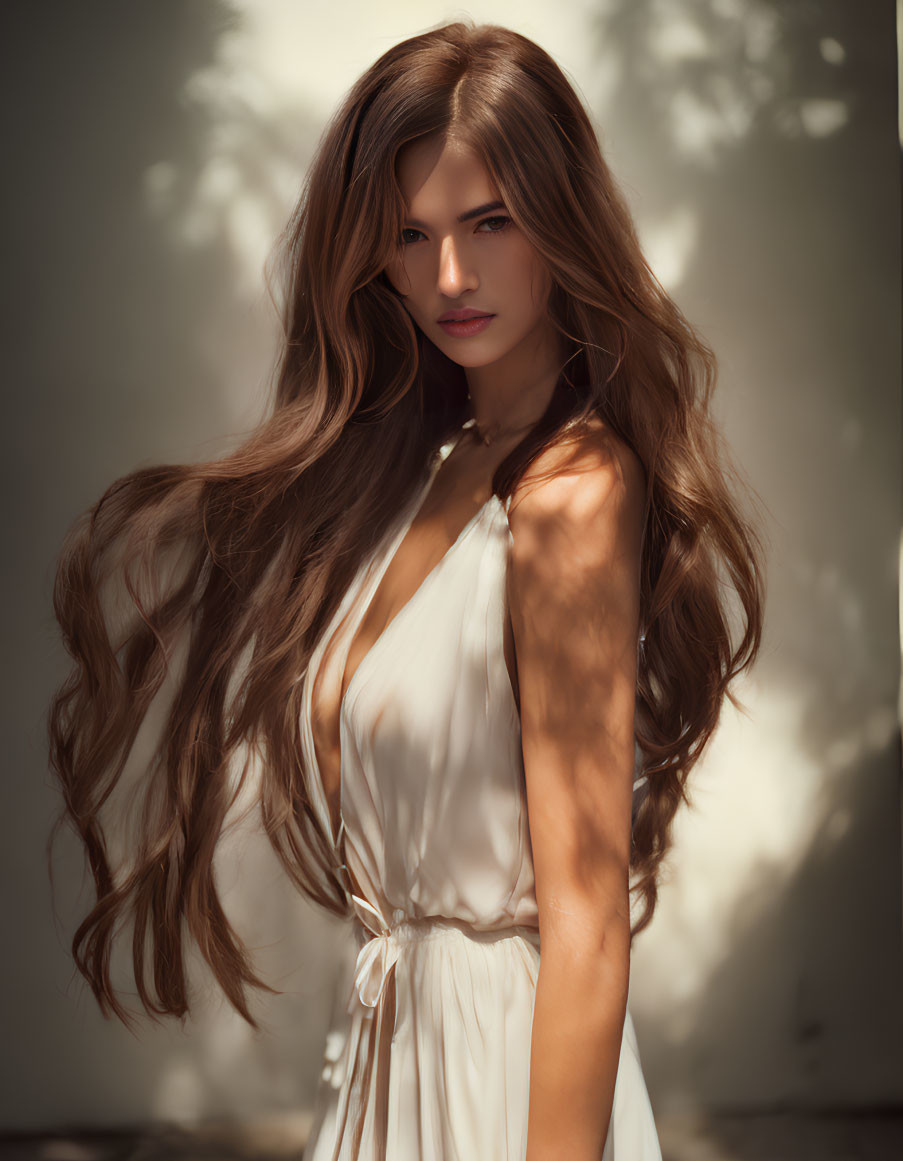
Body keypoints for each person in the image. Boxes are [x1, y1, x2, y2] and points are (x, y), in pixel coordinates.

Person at [47, 19, 766, 1161]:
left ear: (559, 222)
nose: (447, 277)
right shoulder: (433, 466)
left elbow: (584, 925)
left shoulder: (573, 496)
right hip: (391, 1055)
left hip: (504, 1077)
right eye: (409, 235)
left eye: (490, 224)